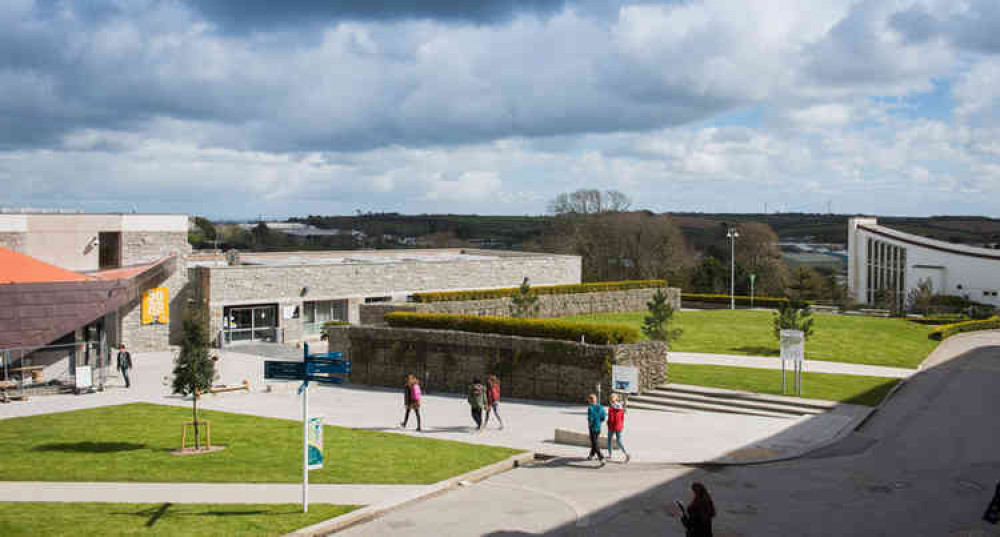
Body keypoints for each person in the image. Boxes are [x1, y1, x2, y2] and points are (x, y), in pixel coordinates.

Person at [606, 393, 630, 463]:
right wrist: (621, 425)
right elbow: (622, 417)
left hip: (612, 427)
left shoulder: (611, 408)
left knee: (609, 440)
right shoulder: (621, 407)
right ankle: (626, 453)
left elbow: (611, 419)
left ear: (610, 400)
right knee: (619, 441)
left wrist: (608, 424)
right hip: (619, 426)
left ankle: (610, 455)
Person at [586, 393, 606, 465]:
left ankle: (601, 458)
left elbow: (590, 418)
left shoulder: (590, 408)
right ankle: (591, 455)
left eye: (589, 400)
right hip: (598, 427)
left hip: (593, 428)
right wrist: (599, 422)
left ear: (590, 400)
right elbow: (603, 417)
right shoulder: (601, 407)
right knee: (595, 442)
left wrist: (589, 425)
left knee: (595, 443)